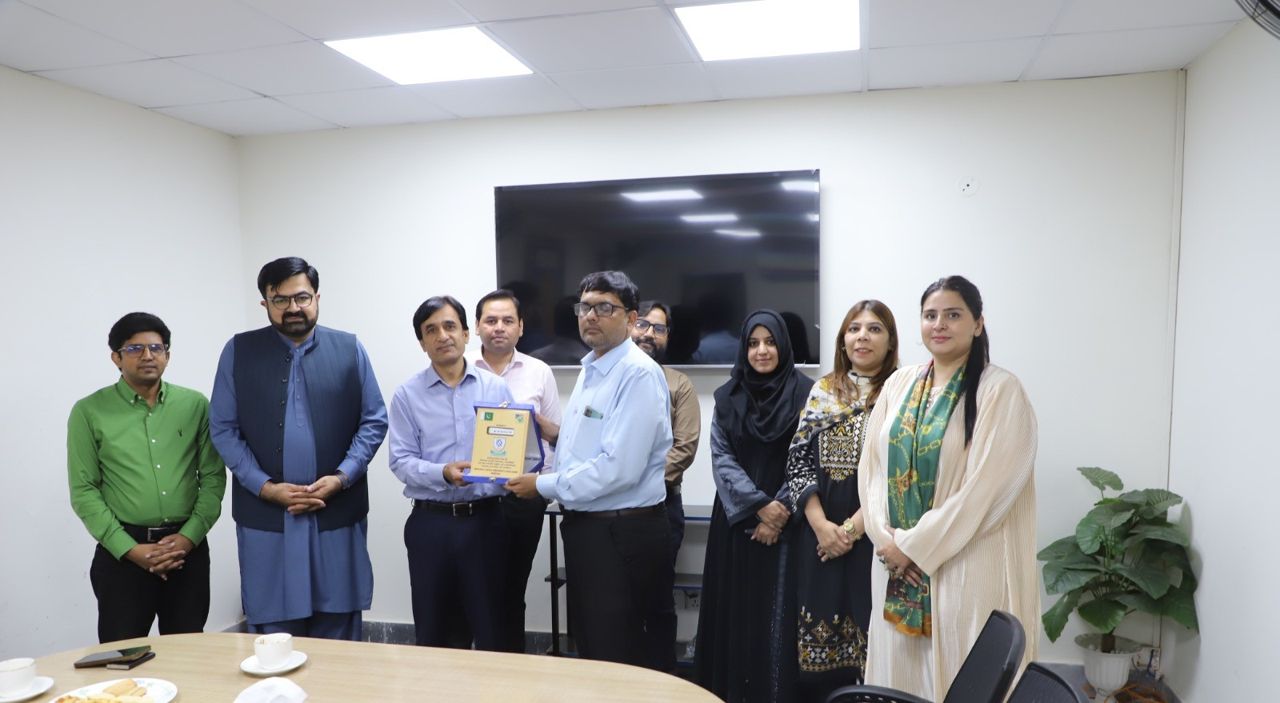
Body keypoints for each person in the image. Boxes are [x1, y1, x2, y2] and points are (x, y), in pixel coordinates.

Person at [858, 276, 1039, 699]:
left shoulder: (1000, 390)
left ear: (978, 323)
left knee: (962, 675)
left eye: (953, 315)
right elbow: (872, 470)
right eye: (930, 315)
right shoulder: (899, 384)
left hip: (962, 566)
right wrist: (886, 538)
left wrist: (914, 545)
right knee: (896, 676)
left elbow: (986, 491)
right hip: (894, 565)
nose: (939, 324)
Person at [505, 270, 675, 671]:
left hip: (622, 533)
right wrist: (552, 436)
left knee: (621, 655)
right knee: (594, 648)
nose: (590, 316)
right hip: (590, 531)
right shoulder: (593, 368)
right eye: (584, 307)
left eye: (604, 307)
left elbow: (619, 469)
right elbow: (590, 446)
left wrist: (542, 484)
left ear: (631, 318)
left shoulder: (636, 372)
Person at [210, 257, 387, 641]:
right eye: (280, 300)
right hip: (267, 517)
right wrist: (264, 487)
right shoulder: (239, 351)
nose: (293, 307)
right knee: (274, 633)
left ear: (317, 298)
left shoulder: (349, 348)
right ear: (265, 303)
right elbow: (223, 429)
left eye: (302, 297)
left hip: (335, 510)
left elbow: (374, 421)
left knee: (338, 626)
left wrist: (342, 477)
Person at [388, 295, 538, 650]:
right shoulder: (407, 395)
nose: (442, 336)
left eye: (450, 326)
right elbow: (400, 460)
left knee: (492, 627)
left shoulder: (494, 388)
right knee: (435, 630)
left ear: (466, 334)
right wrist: (442, 472)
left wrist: (515, 469)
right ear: (422, 343)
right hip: (431, 525)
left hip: (486, 523)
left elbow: (515, 448)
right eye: (431, 330)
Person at [68, 312, 226, 643]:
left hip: (187, 551)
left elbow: (213, 477)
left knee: (187, 652)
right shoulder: (89, 411)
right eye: (134, 349)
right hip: (124, 555)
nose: (147, 356)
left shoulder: (195, 405)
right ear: (116, 358)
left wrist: (188, 538)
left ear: (167, 354)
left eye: (156, 347)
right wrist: (130, 549)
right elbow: (84, 490)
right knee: (123, 654)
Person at [695, 309, 814, 703]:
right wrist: (760, 506)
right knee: (735, 612)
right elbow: (721, 457)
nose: (762, 351)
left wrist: (779, 511)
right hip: (736, 521)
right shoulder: (728, 396)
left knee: (777, 615)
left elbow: (808, 457)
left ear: (784, 345)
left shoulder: (809, 395)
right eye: (753, 343)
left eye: (770, 342)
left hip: (789, 523)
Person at [785, 301, 899, 700]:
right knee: (819, 669)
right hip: (819, 542)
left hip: (876, 540)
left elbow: (897, 475)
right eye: (854, 329)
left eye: (874, 328)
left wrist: (850, 531)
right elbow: (798, 461)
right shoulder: (823, 391)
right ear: (843, 340)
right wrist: (821, 526)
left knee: (874, 654)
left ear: (890, 341)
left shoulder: (902, 394)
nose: (862, 336)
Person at [469, 289, 562, 653]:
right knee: (473, 592)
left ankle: (511, 670)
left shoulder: (539, 372)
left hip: (522, 499)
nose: (499, 327)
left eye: (508, 320)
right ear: (477, 326)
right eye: (491, 320)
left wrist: (540, 489)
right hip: (473, 499)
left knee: (511, 592)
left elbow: (554, 436)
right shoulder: (461, 368)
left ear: (521, 327)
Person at [632, 299, 701, 559]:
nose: (650, 334)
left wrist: (634, 483)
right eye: (642, 324)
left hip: (661, 507)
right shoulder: (604, 379)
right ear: (628, 324)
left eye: (659, 329)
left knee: (657, 582)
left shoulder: (678, 384)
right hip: (606, 508)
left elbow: (684, 448)